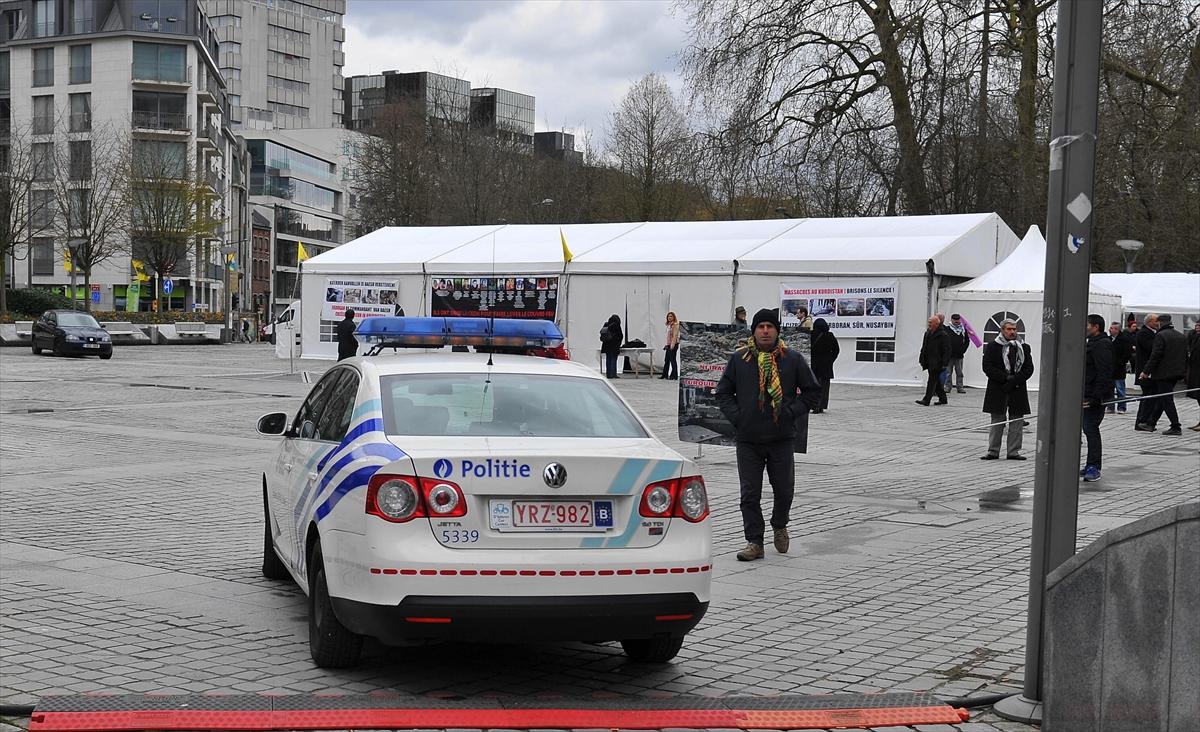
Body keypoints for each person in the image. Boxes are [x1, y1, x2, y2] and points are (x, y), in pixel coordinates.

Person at [716, 308, 820, 562]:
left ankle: (780, 523)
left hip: (781, 438)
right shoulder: (740, 359)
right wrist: (739, 418)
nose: (765, 331)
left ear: (777, 330)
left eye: (769, 327)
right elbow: (723, 392)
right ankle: (755, 541)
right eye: (760, 326)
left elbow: (812, 392)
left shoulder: (792, 359)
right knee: (749, 493)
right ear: (753, 330)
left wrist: (789, 412)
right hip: (748, 439)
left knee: (784, 490)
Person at [980, 319, 1034, 460]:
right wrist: (1005, 378)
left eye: (1014, 329)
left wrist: (1014, 380)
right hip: (998, 388)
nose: (1012, 332)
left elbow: (1029, 369)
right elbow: (987, 367)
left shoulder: (1024, 347)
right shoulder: (993, 346)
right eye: (1009, 329)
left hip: (1017, 388)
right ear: (1002, 330)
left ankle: (1013, 451)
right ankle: (993, 450)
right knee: (997, 420)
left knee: (1017, 420)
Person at [1139, 313, 1187, 436]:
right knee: (1163, 397)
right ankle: (1151, 423)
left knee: (1166, 399)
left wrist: (1146, 371)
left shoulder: (1160, 335)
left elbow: (1155, 356)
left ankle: (1175, 426)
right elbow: (1185, 355)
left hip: (1163, 373)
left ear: (1160, 323)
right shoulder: (1180, 335)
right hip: (1177, 373)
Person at [1082, 314, 1114, 482]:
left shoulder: (1101, 345)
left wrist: (1096, 397)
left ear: (1095, 327)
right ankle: (1089, 464)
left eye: (1086, 324)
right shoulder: (1092, 343)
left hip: (1094, 395)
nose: (1084, 327)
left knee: (1091, 428)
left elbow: (1104, 372)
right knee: (1087, 429)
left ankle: (1094, 466)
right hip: (1087, 392)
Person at [916, 315, 951, 406]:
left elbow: (947, 350)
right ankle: (943, 399)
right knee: (937, 382)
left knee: (931, 381)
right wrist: (922, 358)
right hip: (928, 361)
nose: (929, 324)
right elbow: (924, 347)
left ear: (936, 324)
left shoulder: (943, 335)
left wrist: (944, 363)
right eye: (929, 322)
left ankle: (926, 400)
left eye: (931, 323)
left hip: (937, 362)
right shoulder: (927, 333)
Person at [1132, 313, 1159, 428]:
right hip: (1145, 371)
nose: (1157, 323)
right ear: (1149, 322)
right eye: (1155, 321)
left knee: (1150, 397)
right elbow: (1152, 348)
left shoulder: (1153, 333)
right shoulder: (1143, 333)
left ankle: (1145, 420)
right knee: (1147, 397)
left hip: (1149, 371)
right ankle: (1141, 421)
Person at [808, 318, 839, 414]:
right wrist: (830, 360)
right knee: (824, 387)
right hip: (826, 366)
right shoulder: (830, 336)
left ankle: (814, 405)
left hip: (814, 365)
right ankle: (821, 406)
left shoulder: (811, 335)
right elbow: (836, 350)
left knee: (814, 386)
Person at [1107, 322, 1134, 414]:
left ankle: (1121, 407)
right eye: (1110, 328)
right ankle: (1110, 406)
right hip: (1109, 368)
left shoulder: (1124, 340)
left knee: (1120, 389)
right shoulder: (1108, 339)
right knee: (1109, 389)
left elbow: (1127, 353)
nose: (1110, 330)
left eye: (1112, 328)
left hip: (1119, 368)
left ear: (1117, 330)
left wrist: (1121, 362)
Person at [947, 313, 970, 394]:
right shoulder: (947, 329)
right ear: (952, 320)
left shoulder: (964, 330)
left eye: (958, 320)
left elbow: (967, 341)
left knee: (959, 373)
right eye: (955, 319)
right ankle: (947, 387)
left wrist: (963, 350)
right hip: (949, 356)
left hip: (959, 355)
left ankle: (960, 387)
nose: (957, 321)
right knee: (948, 372)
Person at [1186, 321, 1200, 431]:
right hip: (1195, 371)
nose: (1197, 327)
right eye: (1196, 325)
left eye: (1199, 326)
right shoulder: (1194, 337)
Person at [600, 314, 623, 379]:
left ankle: (609, 374)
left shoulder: (606, 325)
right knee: (613, 359)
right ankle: (613, 374)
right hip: (614, 346)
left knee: (608, 359)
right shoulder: (616, 325)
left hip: (606, 346)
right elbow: (620, 336)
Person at [661, 311, 680, 380]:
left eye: (671, 316)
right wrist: (667, 345)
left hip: (673, 344)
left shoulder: (675, 325)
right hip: (668, 344)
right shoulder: (669, 325)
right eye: (668, 316)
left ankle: (674, 375)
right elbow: (668, 336)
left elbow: (675, 335)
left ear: (674, 317)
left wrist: (672, 344)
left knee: (673, 360)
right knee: (667, 360)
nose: (669, 317)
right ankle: (664, 375)